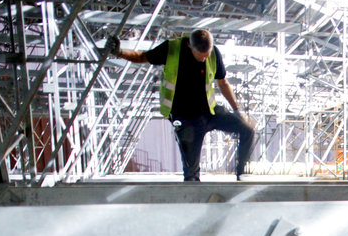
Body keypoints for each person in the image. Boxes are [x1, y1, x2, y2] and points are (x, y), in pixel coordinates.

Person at [107, 30, 255, 181]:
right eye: (201, 55)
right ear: (190, 45)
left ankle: (241, 174)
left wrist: (237, 110)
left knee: (247, 130)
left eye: (207, 55)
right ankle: (193, 193)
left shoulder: (214, 53)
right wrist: (119, 52)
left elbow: (223, 83)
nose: (205, 59)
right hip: (186, 119)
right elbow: (142, 56)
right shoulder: (171, 48)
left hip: (210, 112)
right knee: (191, 173)